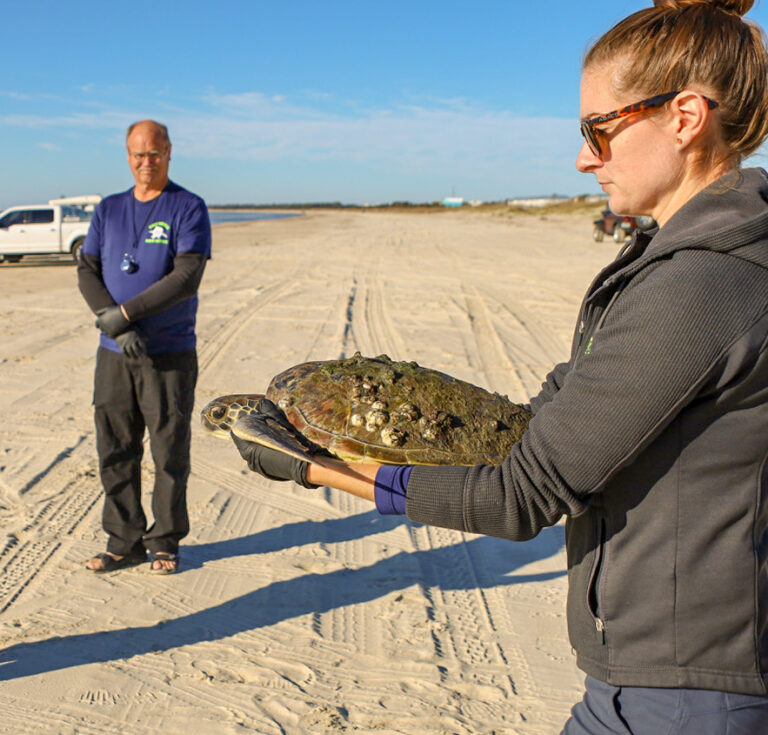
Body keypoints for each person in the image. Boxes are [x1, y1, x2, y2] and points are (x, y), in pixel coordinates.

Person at [231, 0, 768, 731]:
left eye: (600, 129)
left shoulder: (702, 284)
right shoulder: (667, 262)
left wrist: (309, 466)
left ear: (684, 116)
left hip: (688, 694)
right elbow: (536, 421)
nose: (585, 157)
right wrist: (359, 411)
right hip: (647, 680)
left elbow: (522, 493)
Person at [78, 120, 211, 575]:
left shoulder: (188, 207)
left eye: (153, 153)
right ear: (127, 156)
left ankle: (165, 541)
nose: (145, 163)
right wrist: (115, 327)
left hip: (168, 352)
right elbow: (88, 270)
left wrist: (128, 314)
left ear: (169, 152)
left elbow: (186, 276)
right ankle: (123, 539)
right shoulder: (109, 208)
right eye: (137, 154)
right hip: (114, 354)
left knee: (168, 450)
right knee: (114, 447)